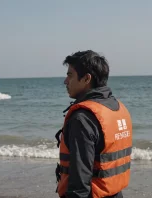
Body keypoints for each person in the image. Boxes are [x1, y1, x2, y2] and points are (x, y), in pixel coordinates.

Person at [55, 50, 133, 198]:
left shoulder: (82, 118)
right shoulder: (117, 108)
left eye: (70, 75)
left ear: (86, 79)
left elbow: (80, 181)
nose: (65, 81)